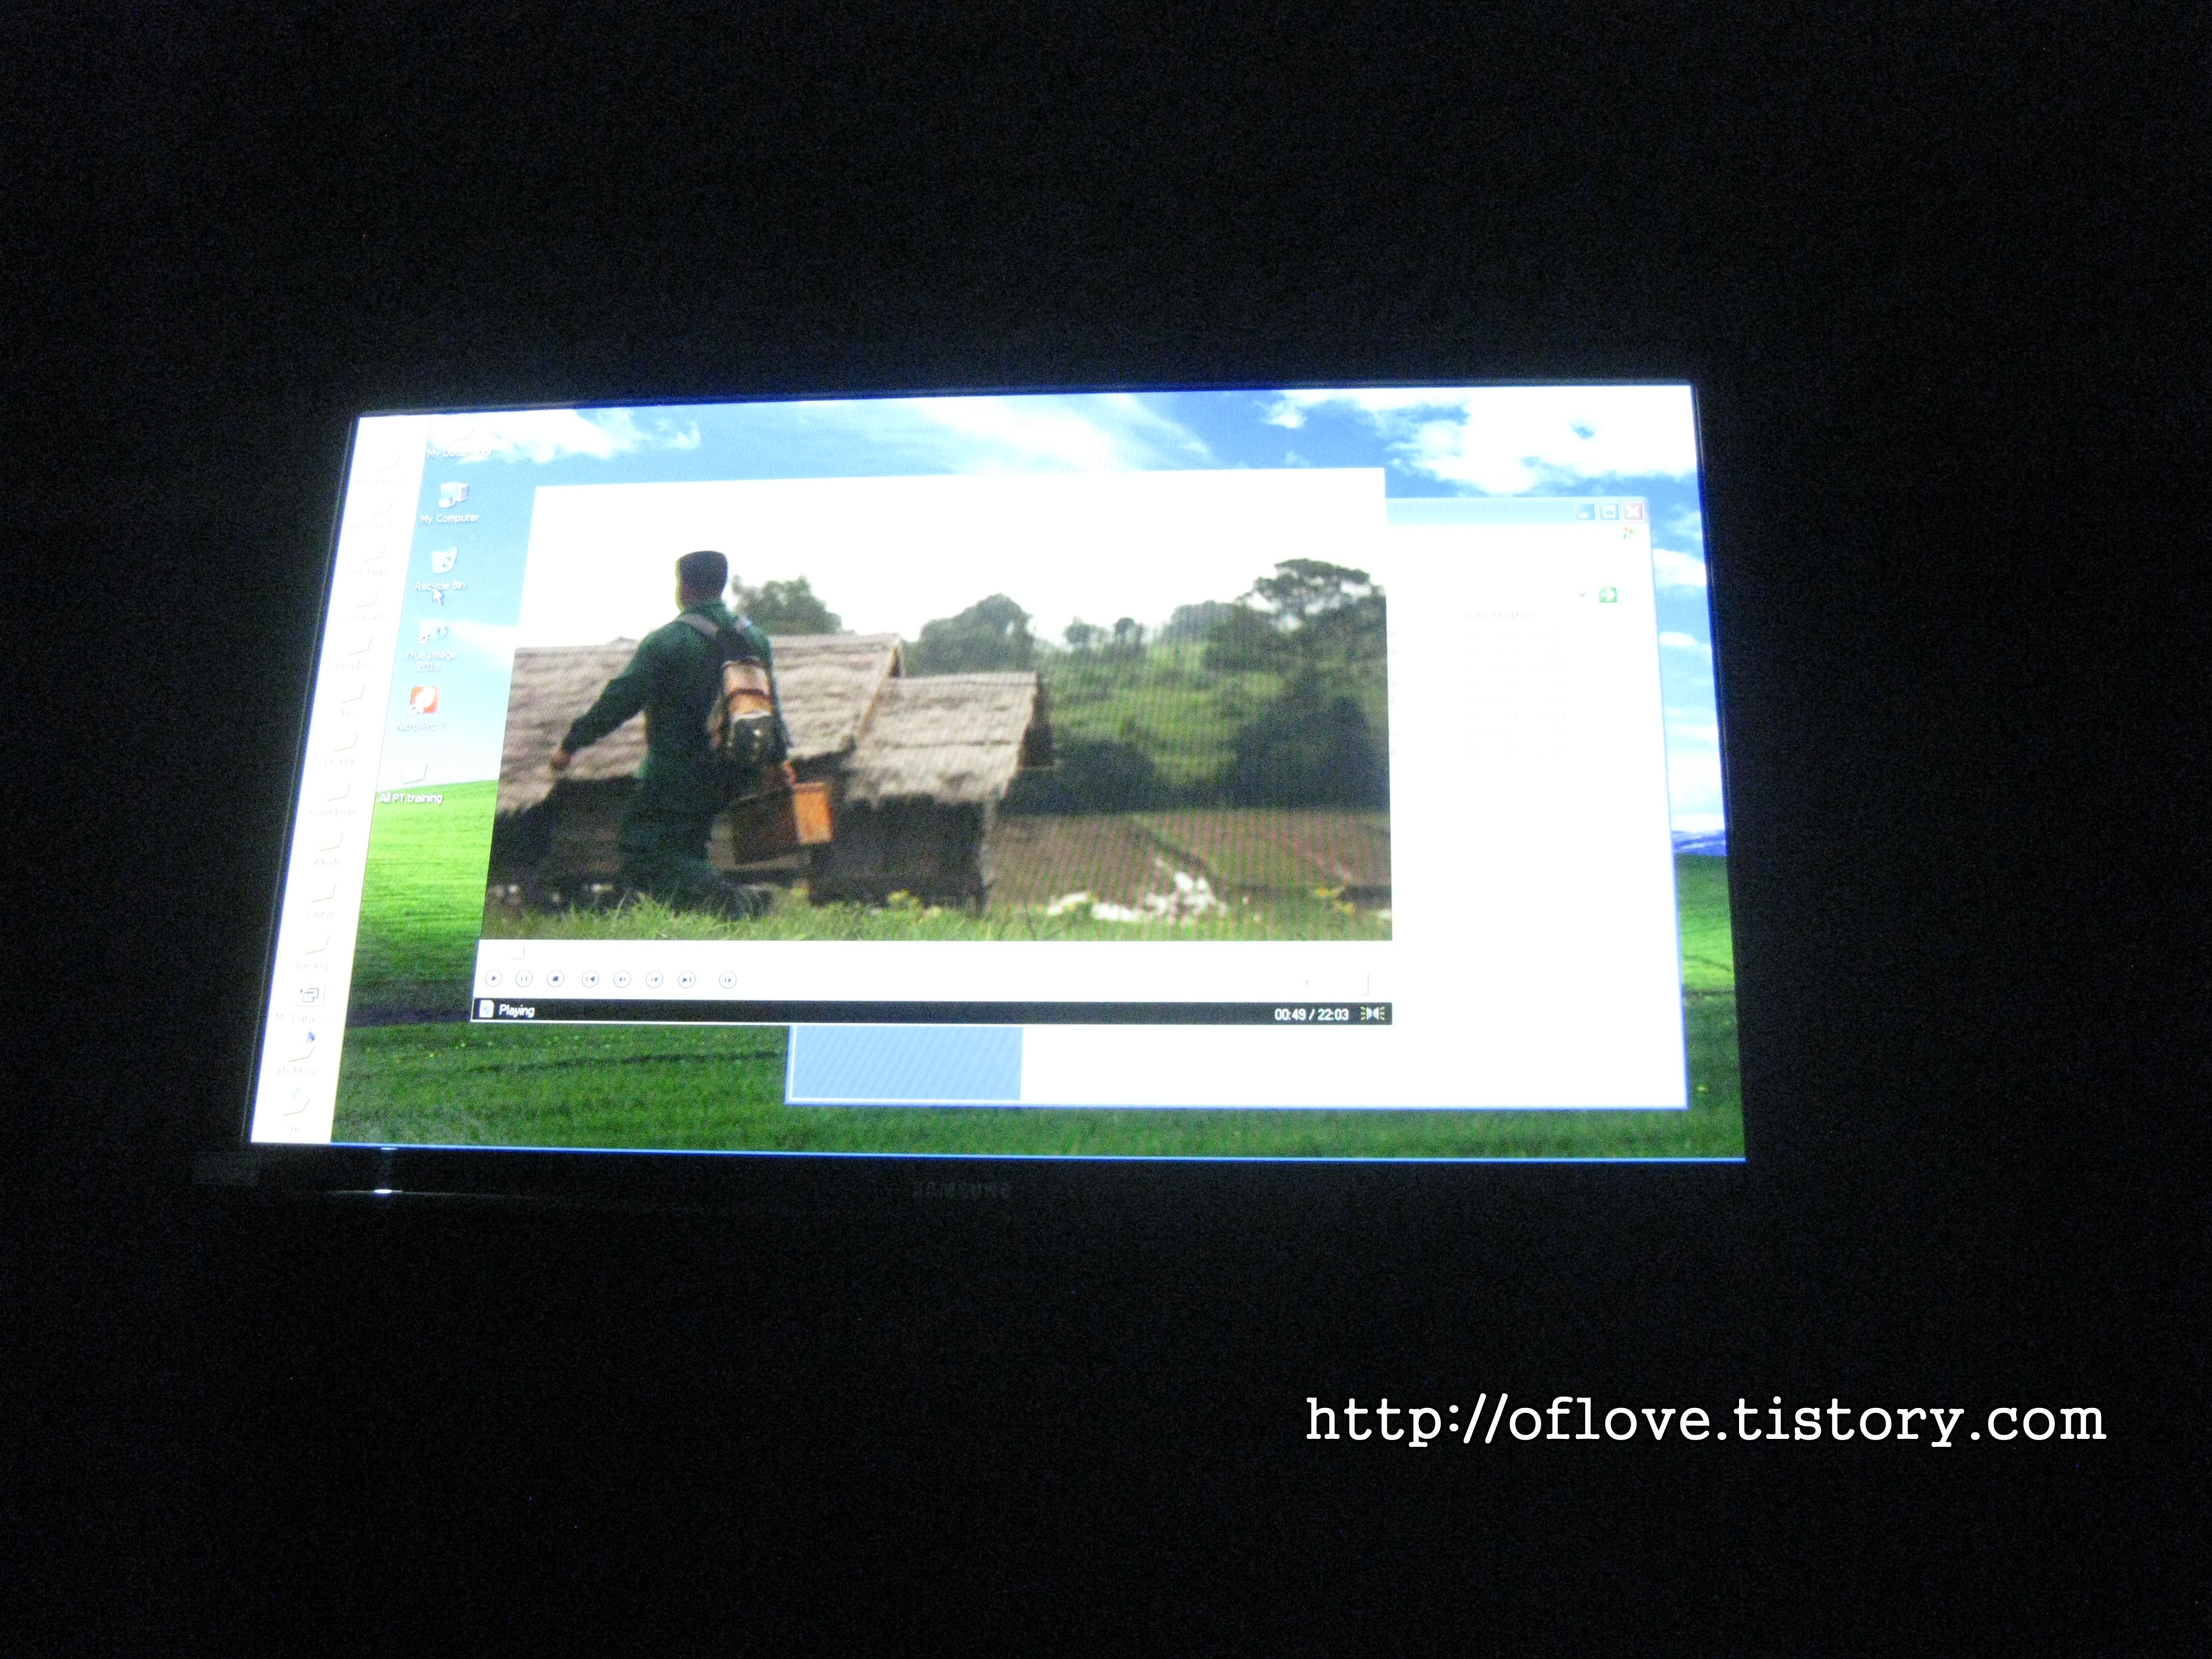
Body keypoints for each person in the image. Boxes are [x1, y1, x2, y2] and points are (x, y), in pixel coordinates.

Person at [548, 550, 794, 916]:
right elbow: (767, 704)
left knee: (641, 850)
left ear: (684, 587)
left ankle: (741, 903)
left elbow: (621, 699)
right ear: (721, 583)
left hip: (674, 773)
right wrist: (779, 760)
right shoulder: (754, 639)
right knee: (687, 850)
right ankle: (698, 919)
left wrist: (572, 743)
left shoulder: (669, 641)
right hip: (730, 771)